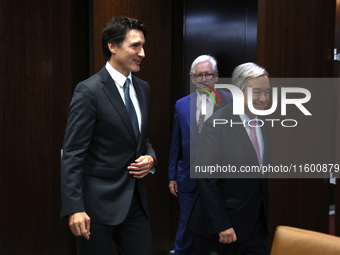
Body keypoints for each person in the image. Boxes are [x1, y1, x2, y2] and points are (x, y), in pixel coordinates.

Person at [60, 16, 156, 255]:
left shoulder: (143, 88)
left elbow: (141, 139)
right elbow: (72, 153)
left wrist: (151, 158)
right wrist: (74, 208)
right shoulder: (89, 90)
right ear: (112, 46)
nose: (142, 53)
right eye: (135, 46)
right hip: (95, 209)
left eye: (143, 46)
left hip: (135, 205)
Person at [189, 62, 271, 255]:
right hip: (224, 230)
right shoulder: (216, 125)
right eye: (256, 92)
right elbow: (206, 179)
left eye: (266, 92)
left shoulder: (263, 122)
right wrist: (221, 224)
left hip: (256, 226)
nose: (263, 98)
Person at [168, 55, 232, 254]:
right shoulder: (181, 104)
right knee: (186, 227)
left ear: (217, 76)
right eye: (199, 75)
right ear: (192, 77)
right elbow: (176, 142)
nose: (204, 79)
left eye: (208, 74)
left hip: (220, 178)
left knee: (218, 226)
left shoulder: (230, 101)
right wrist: (172, 176)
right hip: (188, 177)